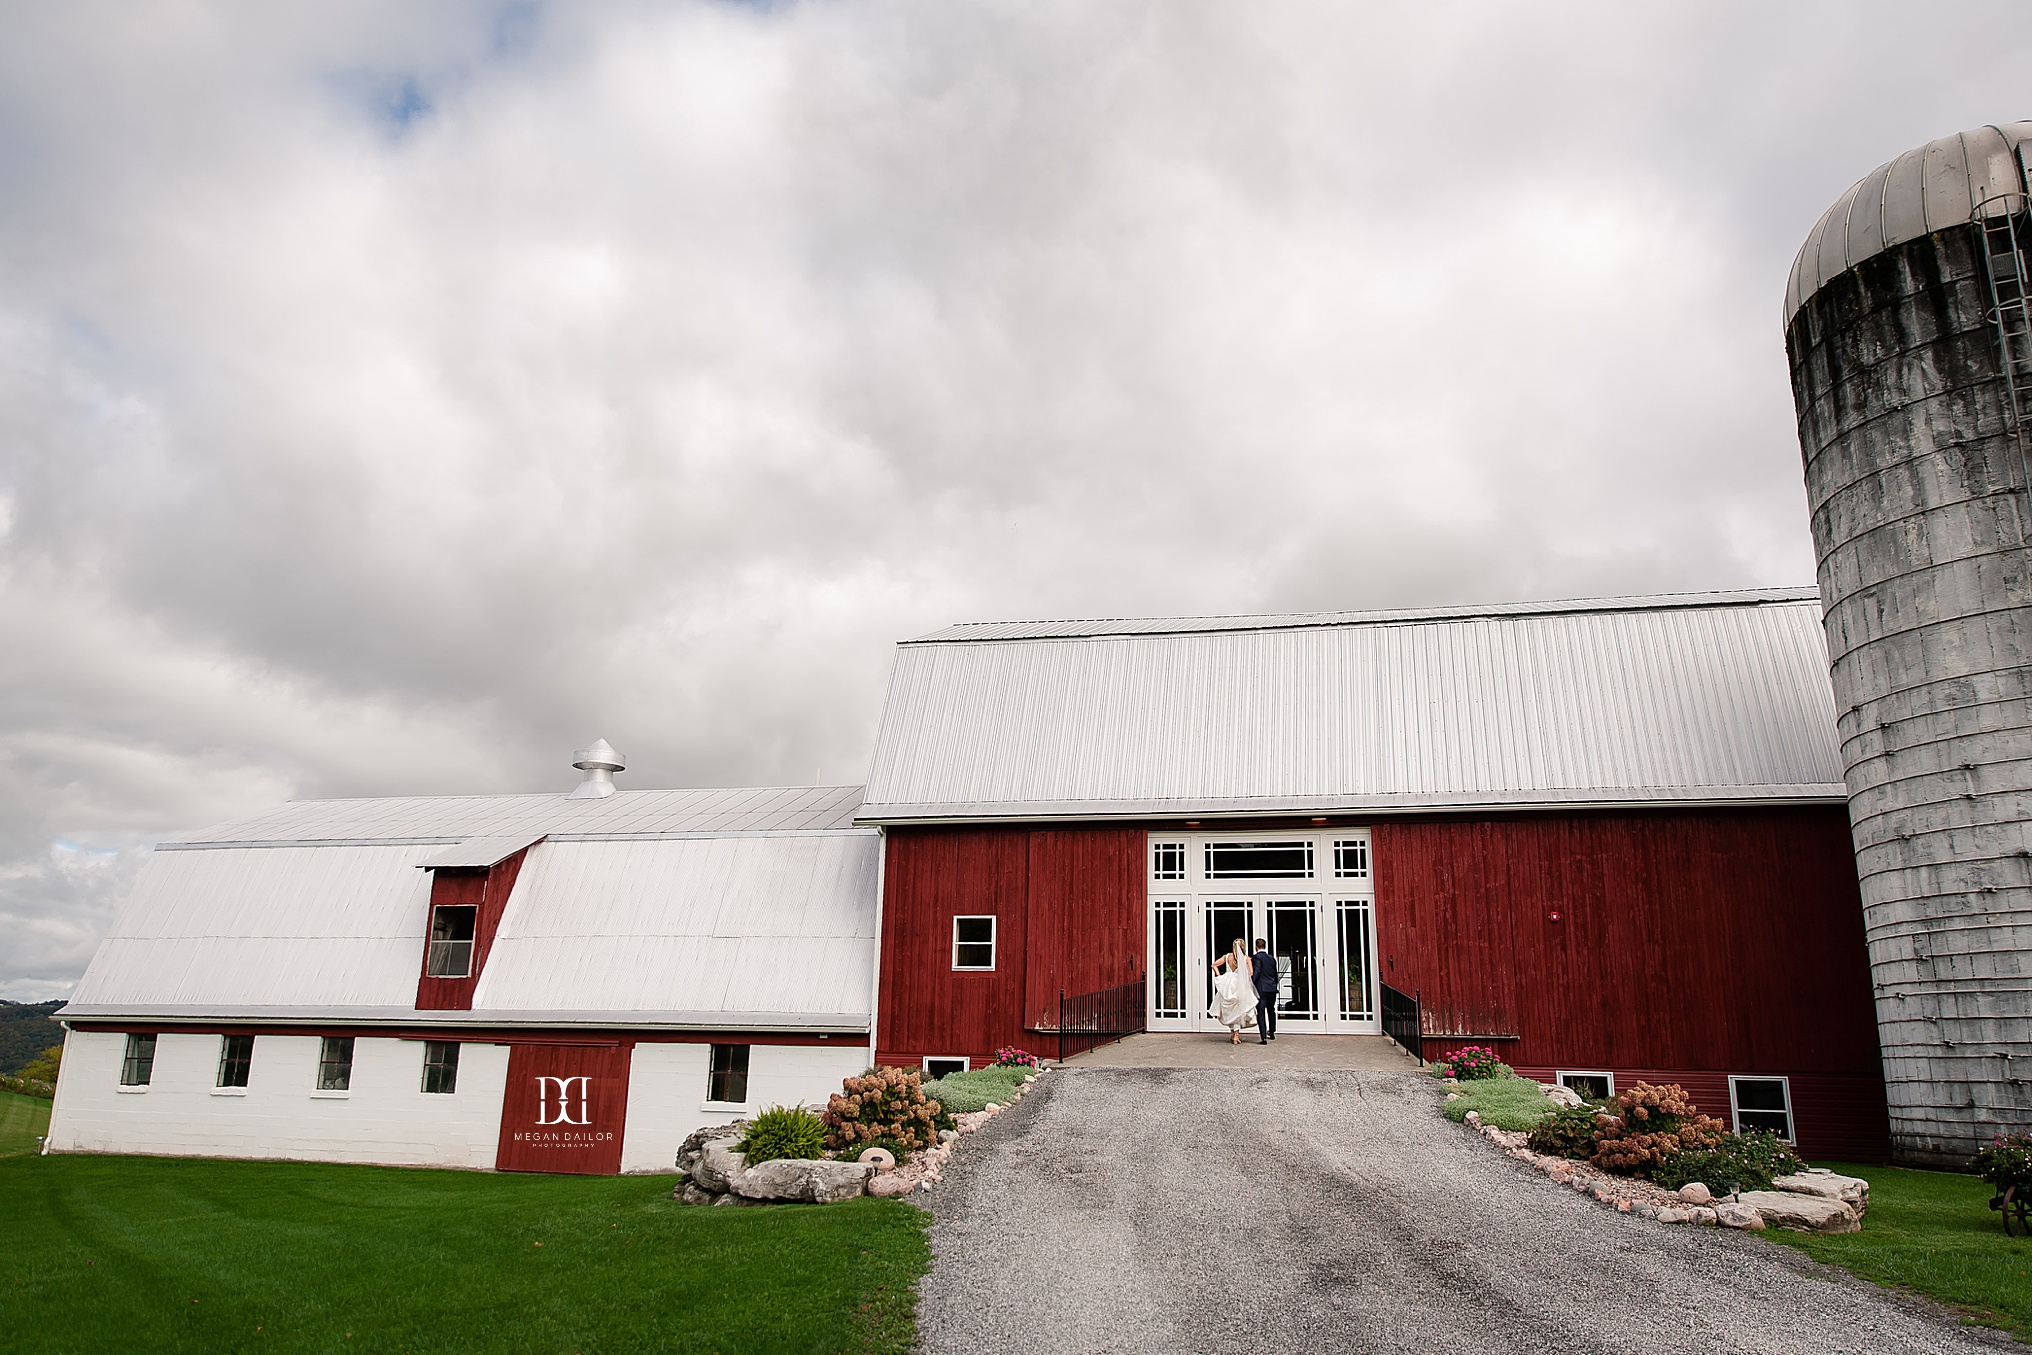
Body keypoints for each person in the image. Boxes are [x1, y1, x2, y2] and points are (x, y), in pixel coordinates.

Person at [1207, 940, 1255, 1044]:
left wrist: (1220, 976)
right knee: (1238, 1009)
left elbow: (1214, 965)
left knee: (1230, 1010)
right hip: (1239, 984)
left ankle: (1233, 1033)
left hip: (1228, 984)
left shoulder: (1227, 956)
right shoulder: (1246, 958)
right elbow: (1251, 973)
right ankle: (1236, 1035)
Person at [1250, 938, 1279, 1044]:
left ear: (1256, 947)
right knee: (1271, 1009)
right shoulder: (1272, 958)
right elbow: (1275, 974)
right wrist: (1275, 983)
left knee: (1261, 1012)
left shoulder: (1257, 957)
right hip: (1271, 987)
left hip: (1262, 988)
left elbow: (1257, 970)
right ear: (1265, 946)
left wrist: (1251, 982)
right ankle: (1271, 1032)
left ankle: (1263, 1037)